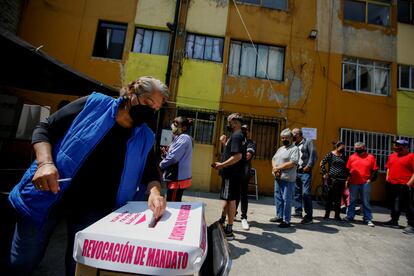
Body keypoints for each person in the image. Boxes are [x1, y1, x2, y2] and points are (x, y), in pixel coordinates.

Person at [7, 76, 168, 276]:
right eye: (147, 102)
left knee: (80, 268)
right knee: (22, 262)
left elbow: (150, 171)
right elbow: (45, 128)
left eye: (155, 108)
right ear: (131, 93)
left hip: (94, 209)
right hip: (48, 193)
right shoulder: (94, 104)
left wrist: (154, 192)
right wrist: (45, 163)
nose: (150, 111)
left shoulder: (145, 135)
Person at [213, 113, 245, 240]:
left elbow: (238, 156)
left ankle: (229, 229)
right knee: (228, 199)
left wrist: (222, 164)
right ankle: (222, 221)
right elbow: (231, 152)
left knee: (231, 200)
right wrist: (224, 143)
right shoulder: (237, 136)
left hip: (231, 174)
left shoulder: (237, 136)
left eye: (230, 121)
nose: (228, 124)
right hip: (232, 174)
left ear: (236, 123)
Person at [269, 128, 299, 228]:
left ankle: (286, 220)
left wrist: (278, 168)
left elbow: (292, 163)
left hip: (288, 179)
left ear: (291, 138)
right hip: (278, 177)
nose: (284, 139)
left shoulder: (294, 149)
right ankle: (279, 216)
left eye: (286, 138)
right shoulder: (281, 148)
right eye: (282, 138)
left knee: (287, 199)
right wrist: (274, 168)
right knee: (278, 197)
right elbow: (273, 158)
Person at [344, 142, 378, 227]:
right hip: (353, 182)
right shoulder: (352, 157)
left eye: (359, 147)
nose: (357, 149)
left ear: (363, 147)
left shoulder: (370, 157)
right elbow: (347, 170)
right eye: (355, 147)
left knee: (365, 201)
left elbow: (375, 170)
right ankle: (350, 216)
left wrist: (370, 180)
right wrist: (347, 180)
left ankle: (367, 218)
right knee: (352, 201)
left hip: (365, 183)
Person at [383, 139, 414, 235]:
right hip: (392, 184)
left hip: (405, 185)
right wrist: (387, 178)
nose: (395, 146)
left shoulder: (411, 156)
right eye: (395, 144)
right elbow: (388, 167)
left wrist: (408, 184)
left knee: (409, 205)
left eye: (398, 145)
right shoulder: (392, 156)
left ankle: (412, 225)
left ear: (405, 147)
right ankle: (394, 221)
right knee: (394, 204)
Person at [159, 116, 193, 202]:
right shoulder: (178, 137)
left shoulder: (184, 138)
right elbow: (173, 155)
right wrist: (165, 154)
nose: (173, 125)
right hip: (176, 177)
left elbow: (174, 158)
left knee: (172, 203)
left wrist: (161, 164)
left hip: (177, 178)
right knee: (173, 201)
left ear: (184, 127)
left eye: (176, 123)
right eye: (173, 122)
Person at [292, 128, 317, 224]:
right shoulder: (294, 144)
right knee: (296, 192)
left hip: (305, 171)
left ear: (298, 134)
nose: (292, 136)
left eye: (293, 134)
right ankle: (298, 211)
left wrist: (309, 166)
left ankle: (309, 216)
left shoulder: (308, 141)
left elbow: (313, 154)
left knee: (305, 193)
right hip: (296, 171)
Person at [320, 141, 348, 221]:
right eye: (341, 148)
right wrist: (325, 173)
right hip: (332, 179)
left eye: (344, 148)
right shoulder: (331, 154)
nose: (343, 149)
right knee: (330, 197)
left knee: (338, 199)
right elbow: (322, 163)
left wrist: (347, 177)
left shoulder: (344, 156)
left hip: (341, 180)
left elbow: (347, 167)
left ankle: (337, 215)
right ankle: (327, 214)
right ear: (337, 147)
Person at [235, 124, 256, 230]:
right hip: (233, 173)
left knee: (243, 195)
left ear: (248, 131)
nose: (243, 131)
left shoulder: (250, 142)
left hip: (244, 173)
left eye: (245, 130)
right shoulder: (235, 140)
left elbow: (248, 156)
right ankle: (233, 213)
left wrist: (236, 155)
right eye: (241, 129)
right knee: (234, 194)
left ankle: (244, 217)